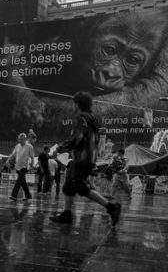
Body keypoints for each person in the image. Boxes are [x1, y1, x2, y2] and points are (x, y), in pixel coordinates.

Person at [50, 92, 121, 226]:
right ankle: (67, 213)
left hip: (81, 158)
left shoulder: (81, 118)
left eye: (74, 103)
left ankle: (112, 207)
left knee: (81, 187)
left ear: (77, 104)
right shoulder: (92, 119)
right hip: (87, 158)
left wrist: (59, 148)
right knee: (69, 185)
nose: (73, 106)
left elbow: (76, 138)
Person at [8, 133, 35, 201]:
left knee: (19, 180)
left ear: (25, 139)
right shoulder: (17, 146)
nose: (20, 140)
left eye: (22, 139)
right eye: (19, 139)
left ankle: (14, 195)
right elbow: (13, 154)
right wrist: (8, 160)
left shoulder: (29, 146)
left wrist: (32, 163)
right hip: (17, 166)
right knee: (23, 182)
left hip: (25, 166)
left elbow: (32, 156)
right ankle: (28, 195)